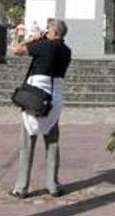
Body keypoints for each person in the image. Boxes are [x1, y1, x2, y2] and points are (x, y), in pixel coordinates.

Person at [10, 18, 72, 199]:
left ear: (54, 32)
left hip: (35, 98)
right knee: (52, 143)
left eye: (48, 29)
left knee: (27, 143)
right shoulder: (67, 51)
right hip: (54, 100)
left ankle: (21, 187)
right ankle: (53, 184)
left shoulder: (45, 45)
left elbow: (17, 50)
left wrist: (35, 38)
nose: (45, 31)